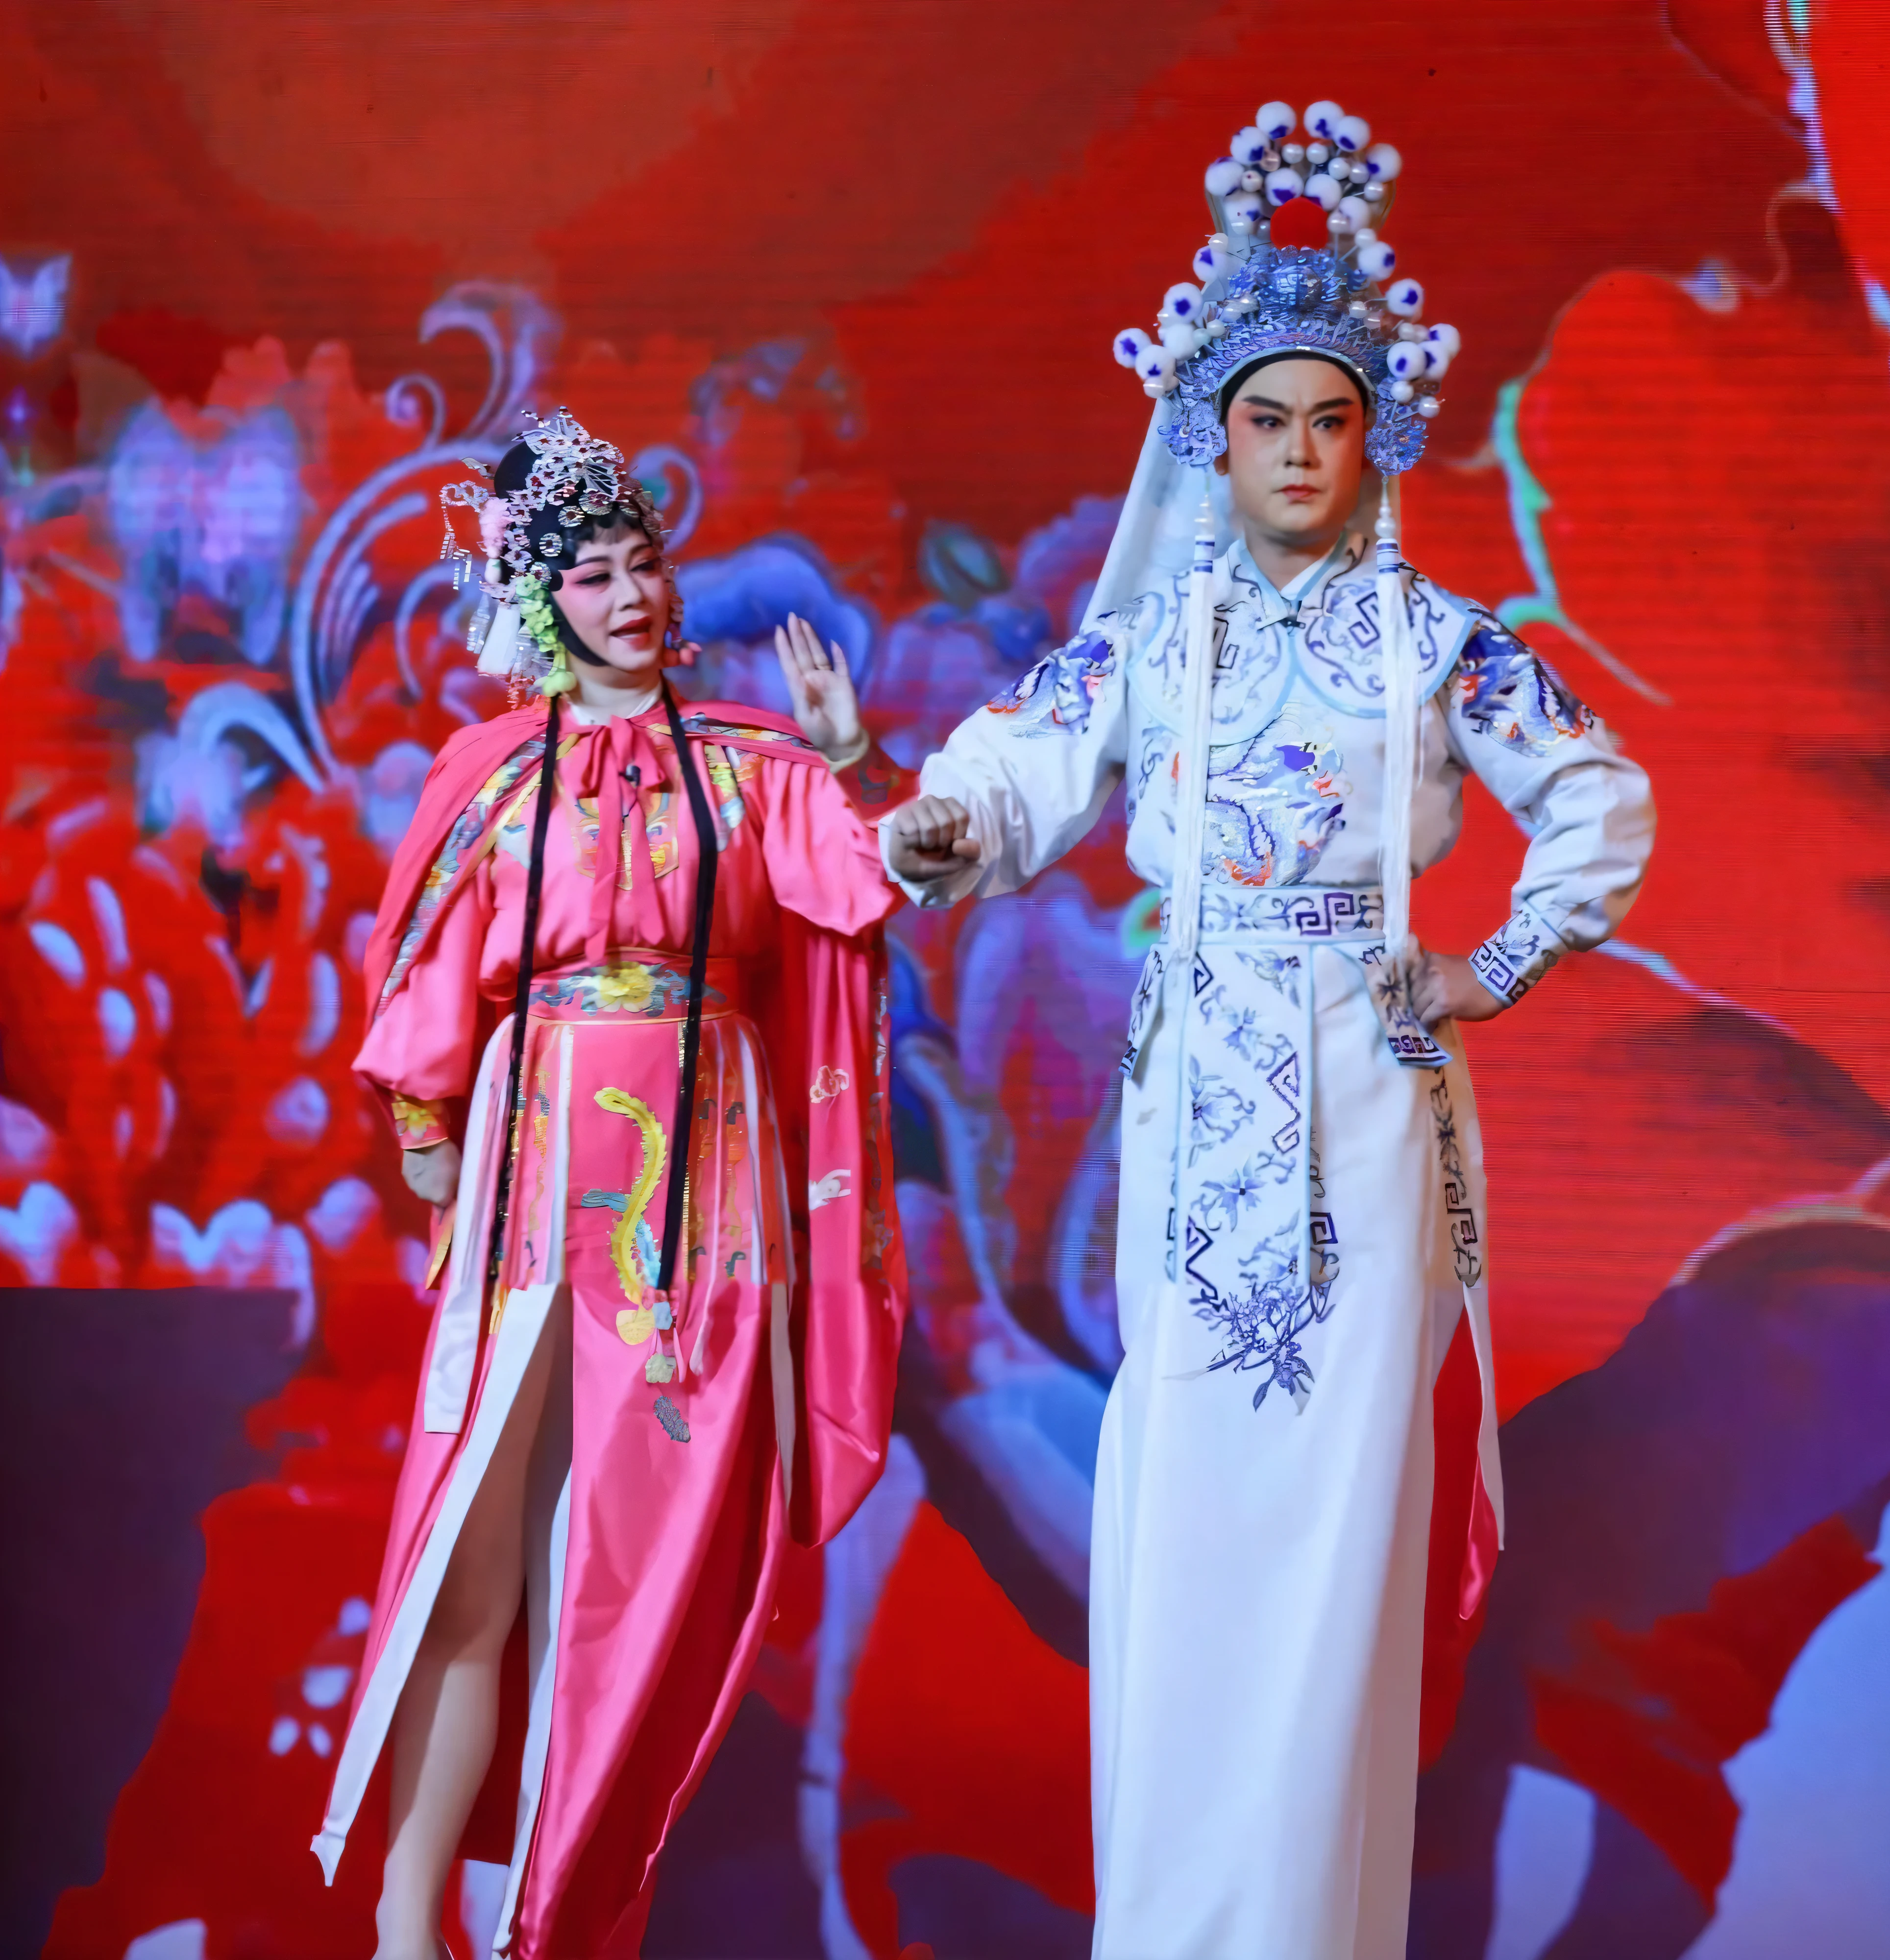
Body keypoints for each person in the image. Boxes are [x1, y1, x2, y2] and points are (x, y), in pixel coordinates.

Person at [884, 98, 1656, 1959]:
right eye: (1262, 422)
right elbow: (1019, 759)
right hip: (1188, 1097)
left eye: (1329, 421)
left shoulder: (1444, 639)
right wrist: (942, 821)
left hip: (1367, 1111)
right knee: (1188, 1521)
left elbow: (1603, 800)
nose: (1298, 454)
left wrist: (1495, 966)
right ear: (1210, 442)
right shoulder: (1157, 643)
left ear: (1373, 438)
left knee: (1331, 1550)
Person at [311, 410, 919, 1959]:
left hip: (704, 1189)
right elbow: (433, 986)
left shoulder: (758, 770)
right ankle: (405, 1919)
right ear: (542, 606)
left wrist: (851, 758)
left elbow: (873, 881)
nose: (631, 594)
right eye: (590, 574)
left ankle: (562, 1907)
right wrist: (433, 1140)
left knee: (638, 1563)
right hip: (537, 1171)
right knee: (480, 1558)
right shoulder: (494, 777)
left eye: (644, 561)